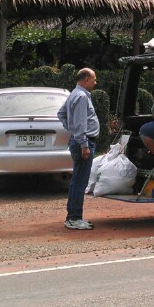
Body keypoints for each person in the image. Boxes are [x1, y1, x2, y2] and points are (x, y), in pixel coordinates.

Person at [56, 67, 100, 230]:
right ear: (86, 79)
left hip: (79, 140)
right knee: (80, 181)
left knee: (77, 180)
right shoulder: (81, 97)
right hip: (84, 142)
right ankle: (74, 218)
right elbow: (81, 124)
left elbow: (61, 114)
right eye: (94, 79)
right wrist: (84, 145)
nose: (96, 83)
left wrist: (72, 129)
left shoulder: (74, 94)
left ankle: (73, 216)